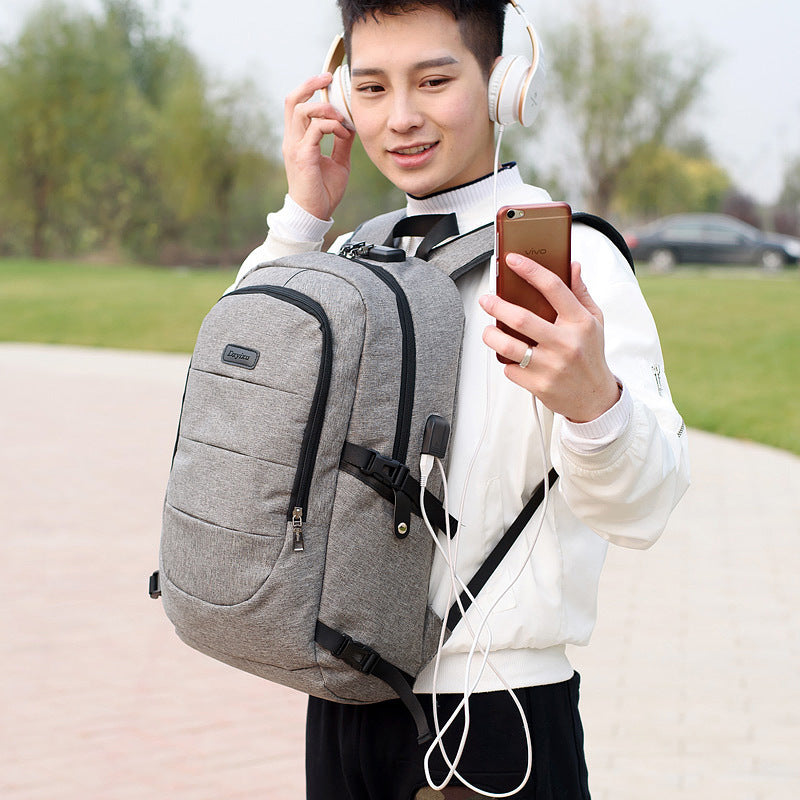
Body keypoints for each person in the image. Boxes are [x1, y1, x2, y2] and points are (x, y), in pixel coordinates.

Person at [232, 1, 690, 798]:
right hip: (343, 707)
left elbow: (645, 507)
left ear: (503, 86)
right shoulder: (349, 254)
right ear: (341, 99)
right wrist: (302, 217)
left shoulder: (577, 261)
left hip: (495, 717)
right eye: (371, 89)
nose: (401, 118)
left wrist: (595, 406)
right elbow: (240, 400)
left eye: (434, 80)